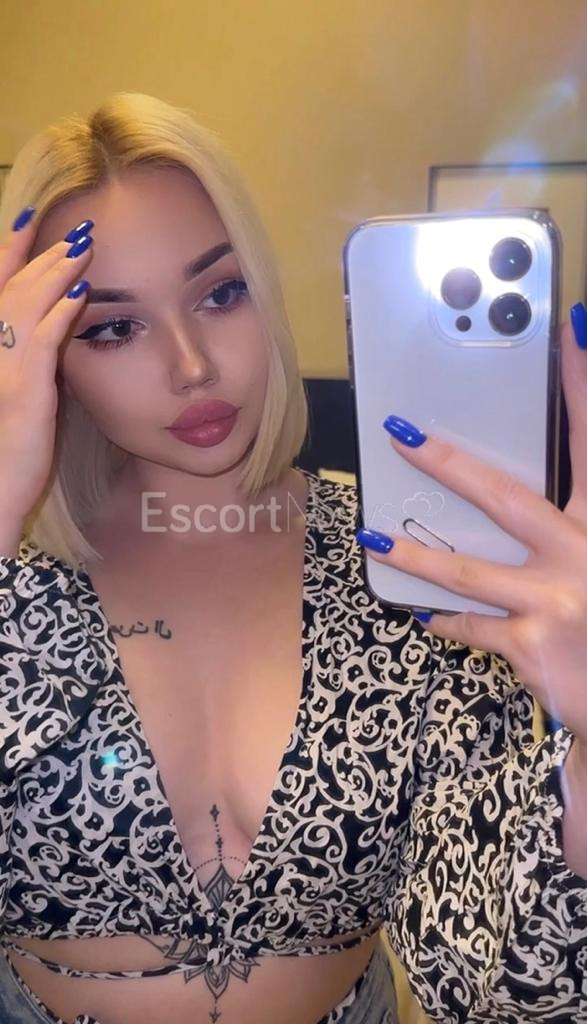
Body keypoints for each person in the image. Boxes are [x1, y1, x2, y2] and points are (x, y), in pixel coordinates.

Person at [0, 92, 585, 1024]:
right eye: (113, 327)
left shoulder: (412, 560)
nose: (192, 365)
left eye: (219, 293)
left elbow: (497, 985)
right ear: (49, 359)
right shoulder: (18, 570)